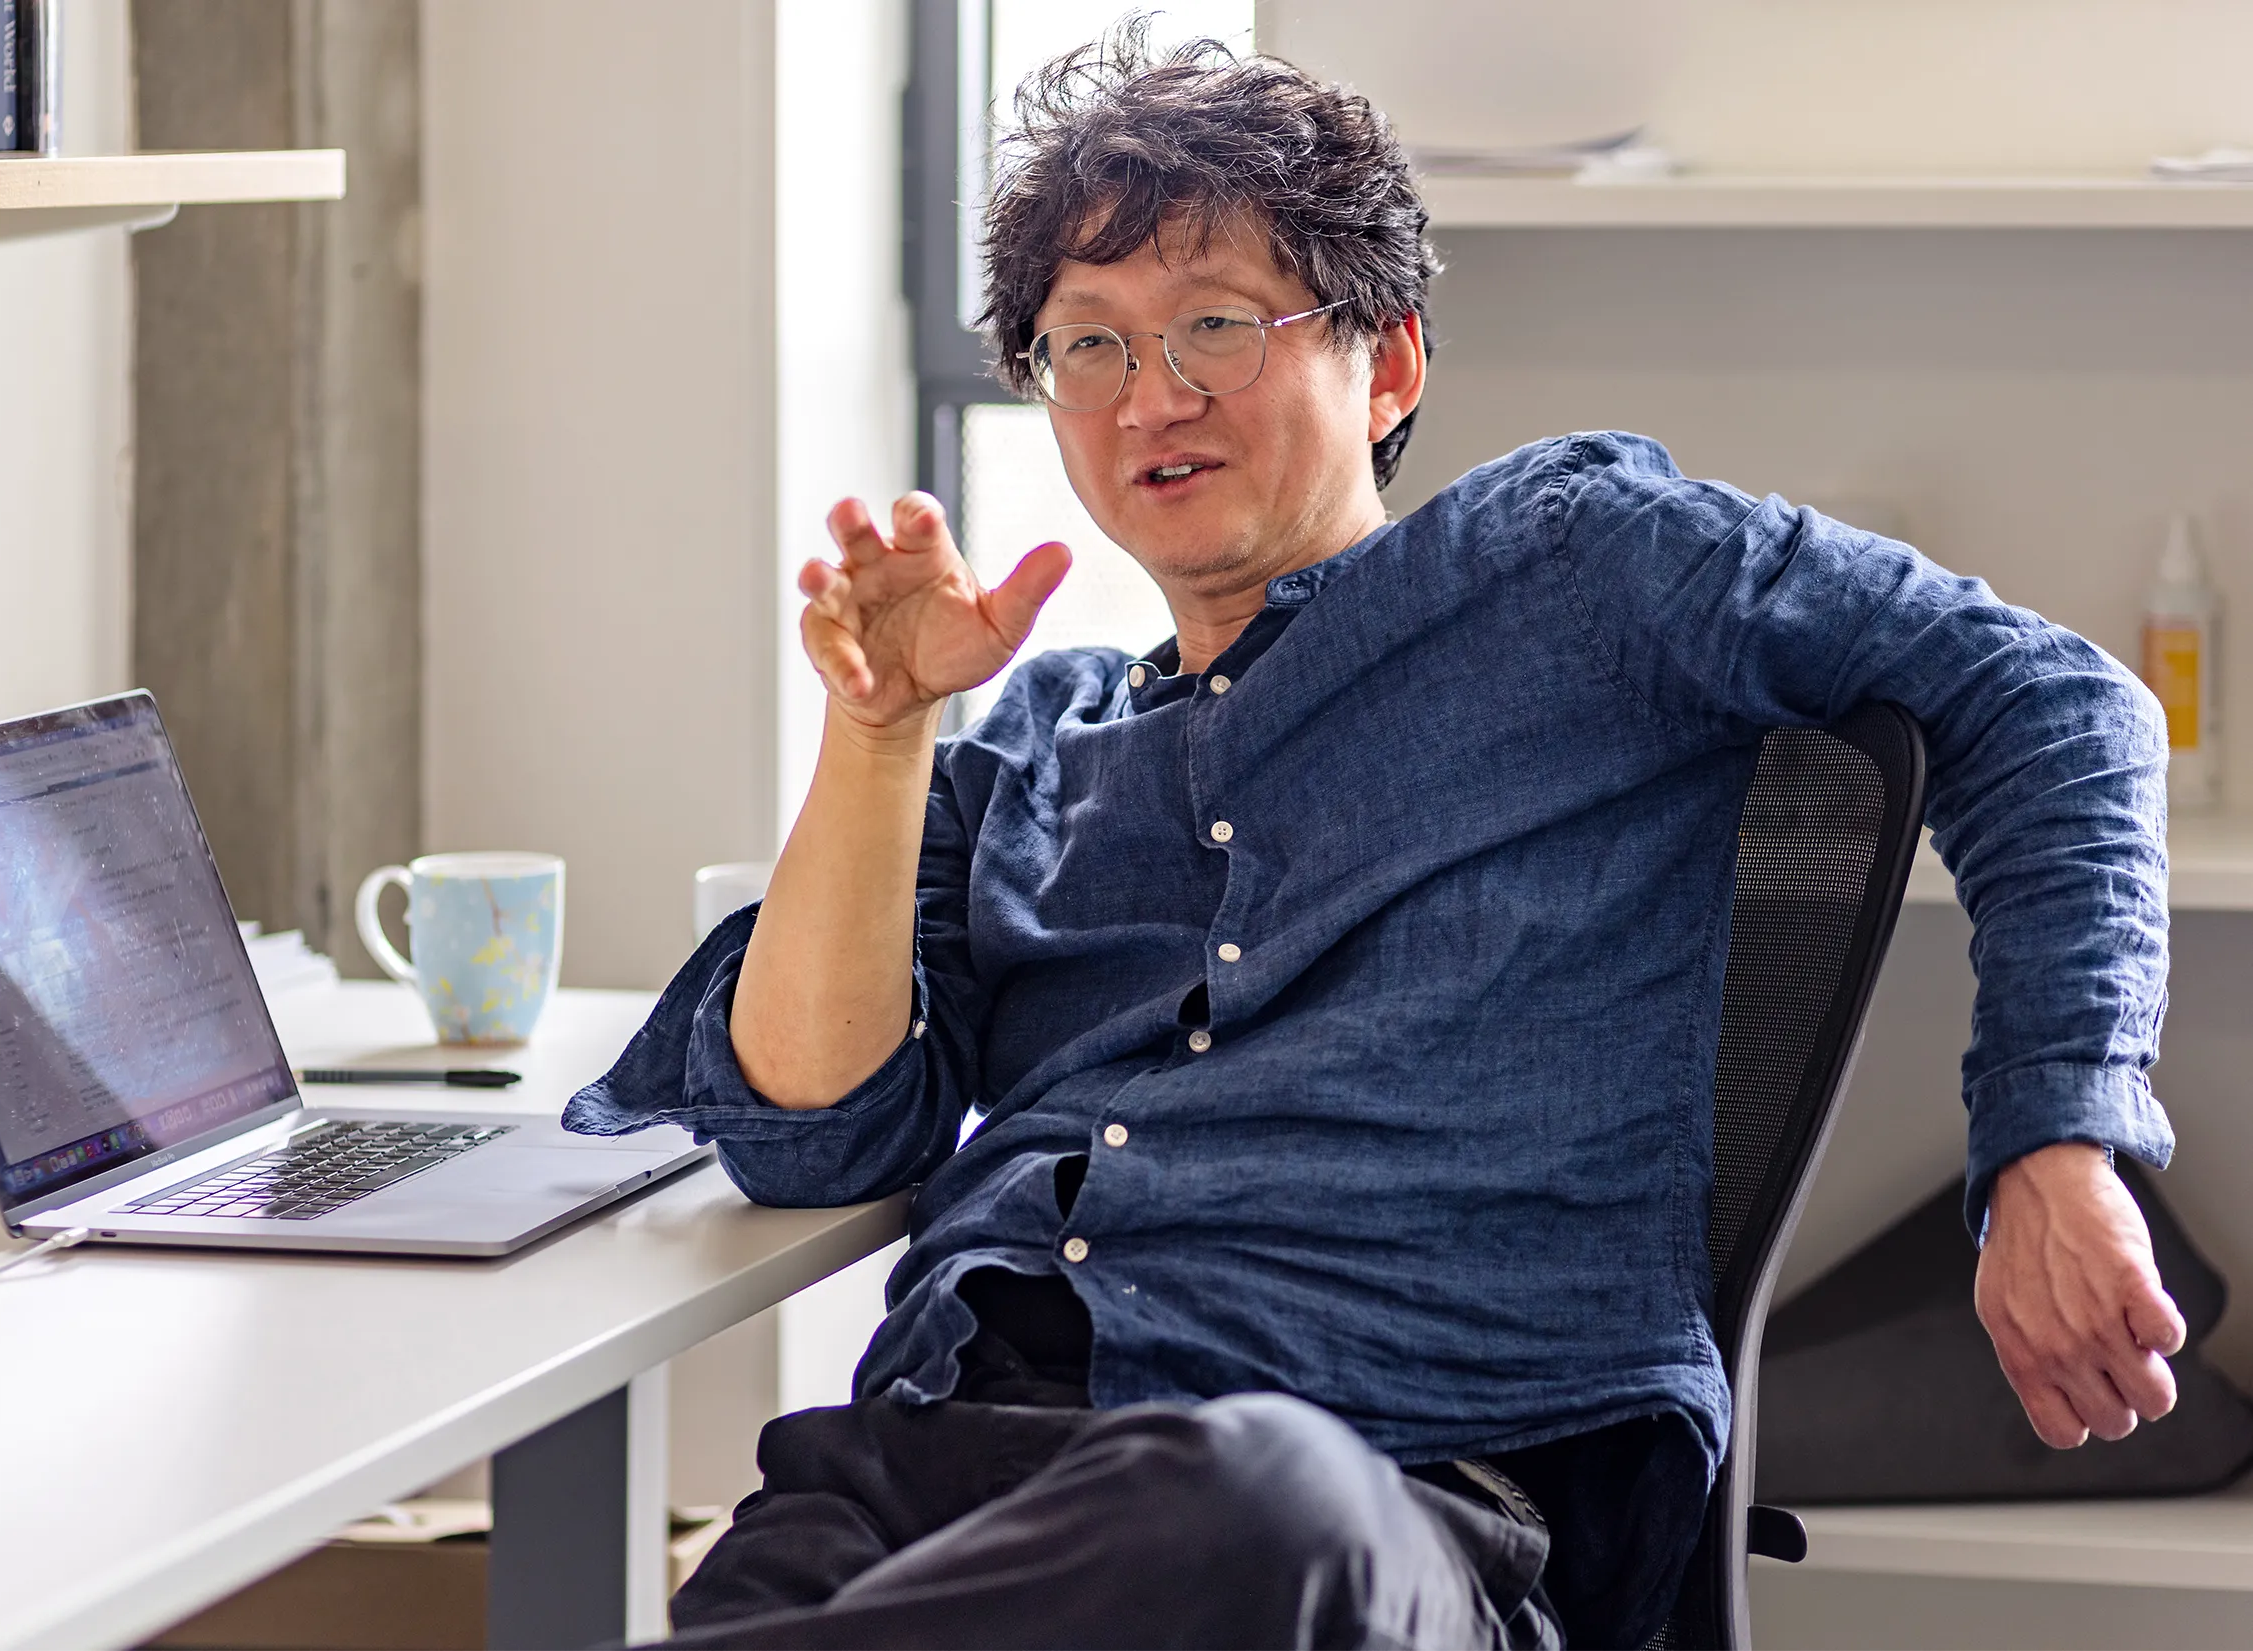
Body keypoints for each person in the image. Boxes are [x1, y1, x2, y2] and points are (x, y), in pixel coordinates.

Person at [567, 30, 2185, 1651]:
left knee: (1255, 1504)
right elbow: (810, 1130)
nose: (1154, 396)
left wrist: (2053, 1134)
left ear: (1390, 362)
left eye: (1215, 324)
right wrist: (878, 734)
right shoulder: (1028, 744)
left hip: (1391, 1500)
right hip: (942, 1463)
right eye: (1088, 346)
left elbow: (2052, 700)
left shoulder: (1578, 563)